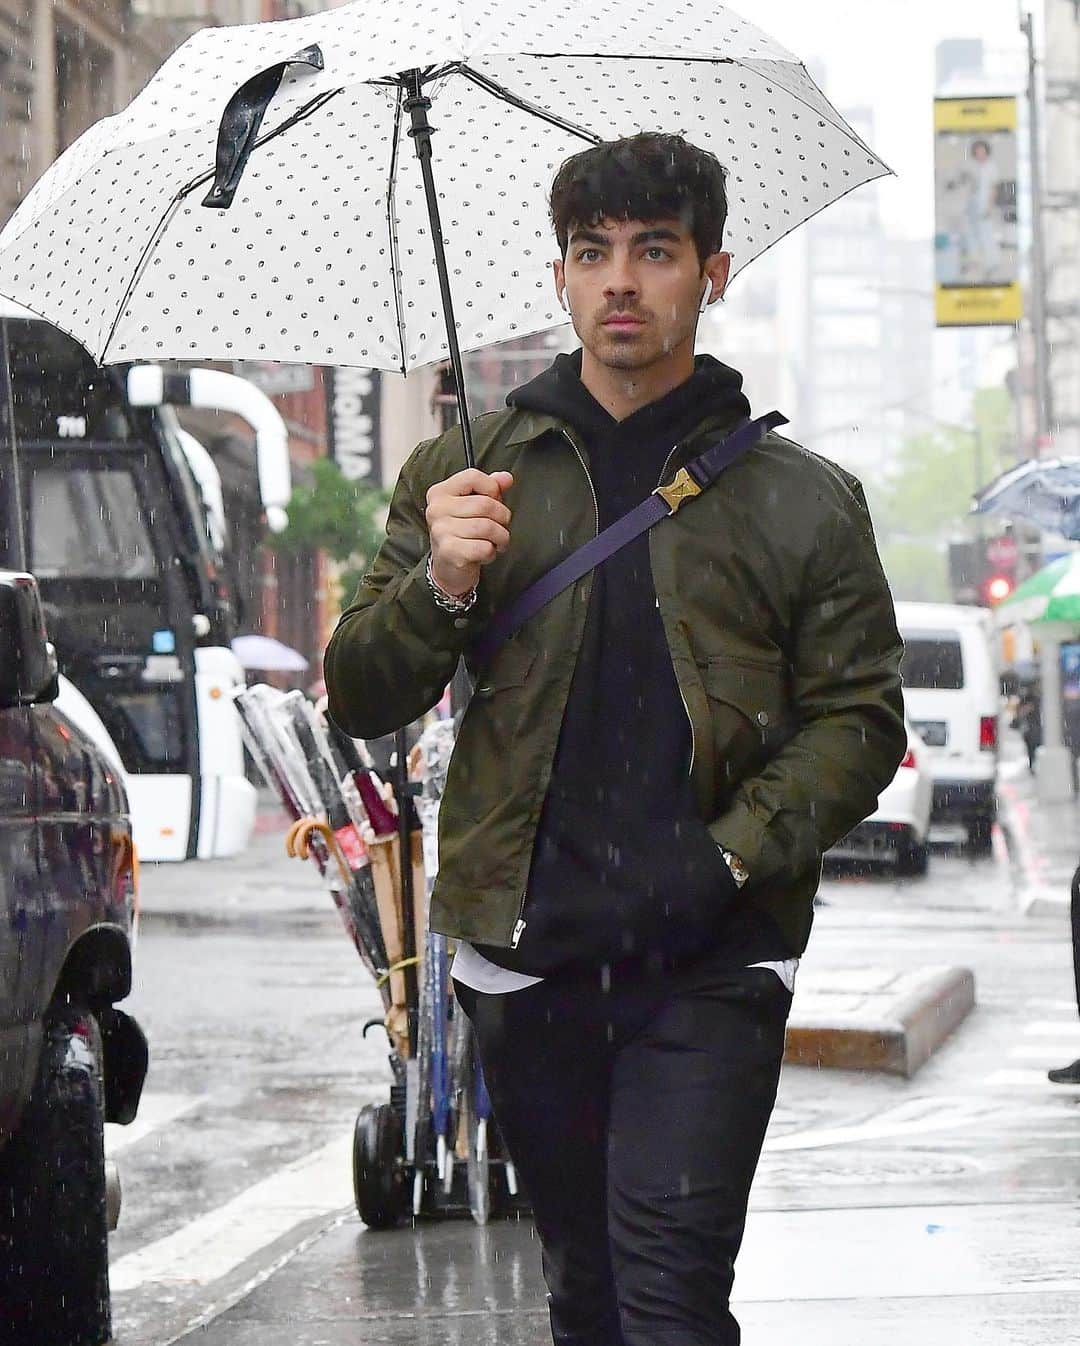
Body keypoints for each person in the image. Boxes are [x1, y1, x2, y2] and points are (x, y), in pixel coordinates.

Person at [324, 133, 906, 1346]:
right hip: (529, 961)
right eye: (594, 253)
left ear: (713, 271)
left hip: (710, 956)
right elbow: (359, 693)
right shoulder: (466, 475)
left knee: (671, 1301)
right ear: (561, 278)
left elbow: (860, 719)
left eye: (655, 250)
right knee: (586, 1298)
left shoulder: (801, 497)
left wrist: (726, 859)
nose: (622, 281)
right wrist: (440, 577)